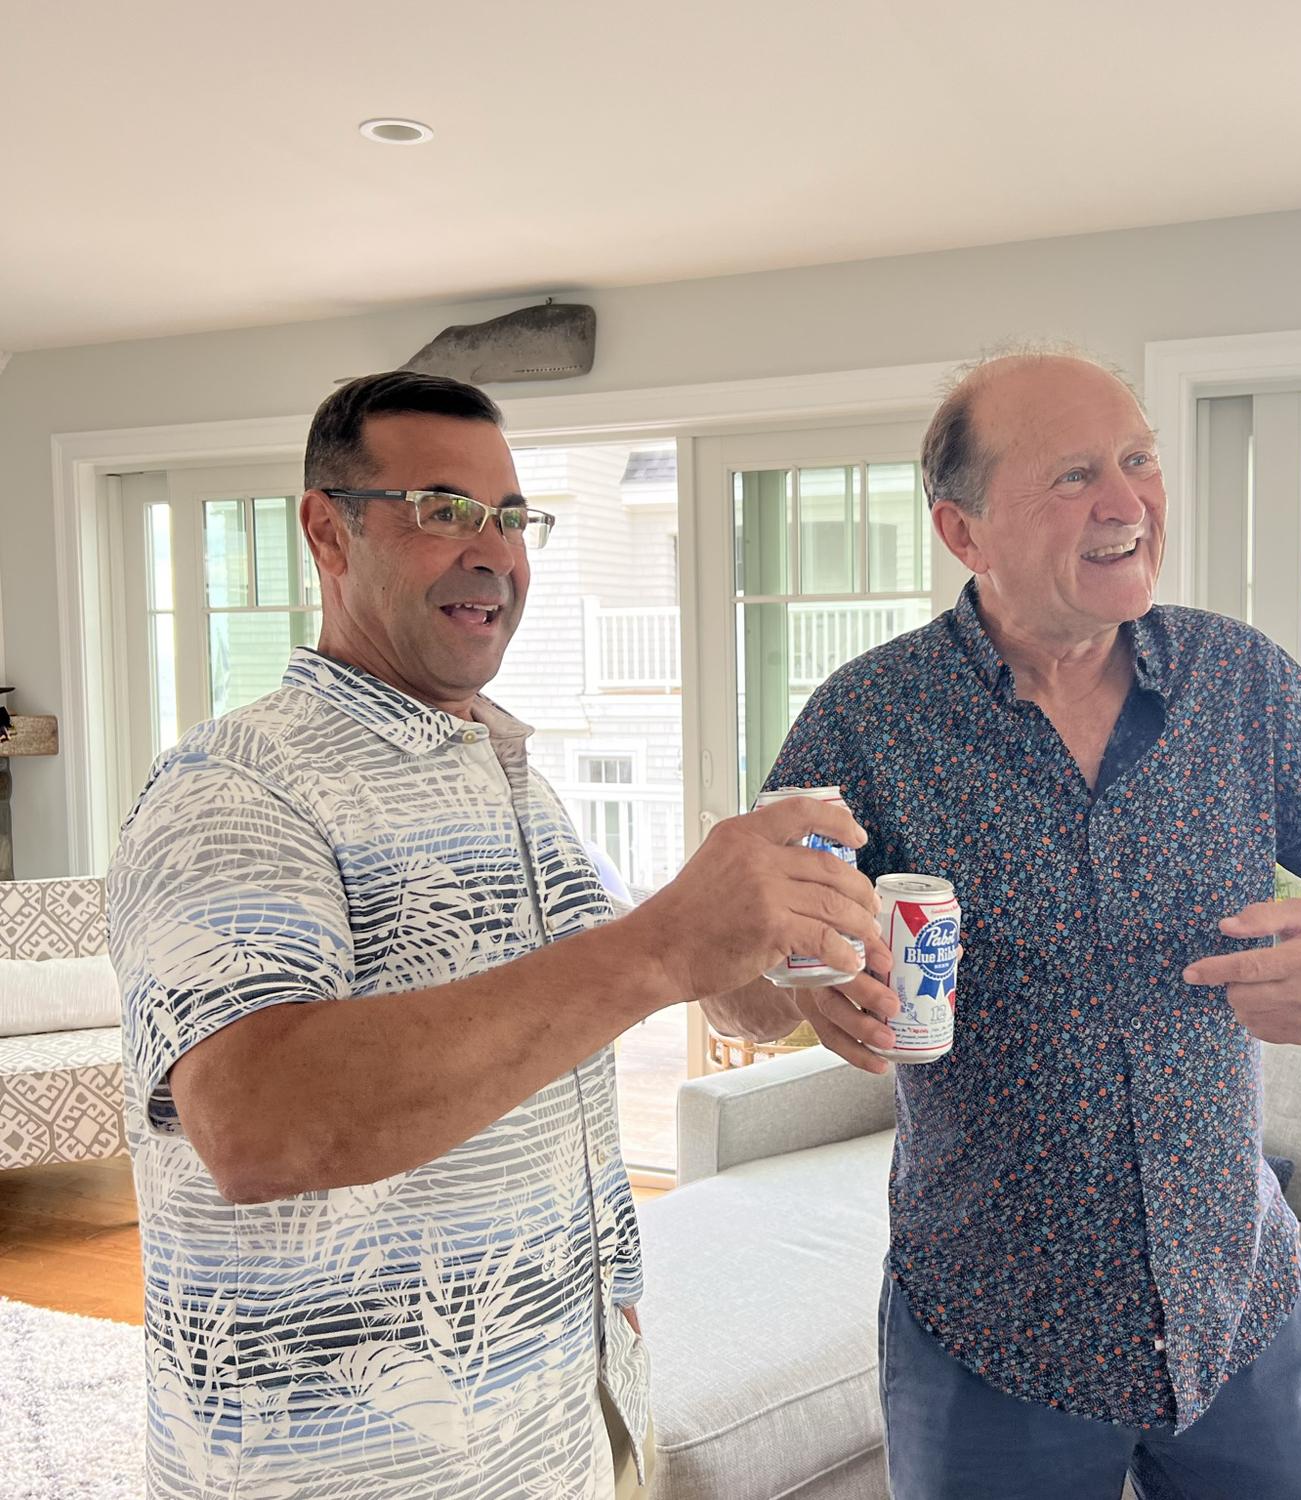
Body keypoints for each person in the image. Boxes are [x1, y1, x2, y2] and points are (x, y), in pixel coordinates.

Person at [107, 371, 882, 1500]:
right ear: (329, 530)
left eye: (513, 518)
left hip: (568, 1429)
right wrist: (665, 942)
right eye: (444, 510)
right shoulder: (232, 790)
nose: (496, 551)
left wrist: (795, 970)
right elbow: (259, 1124)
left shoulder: (513, 781)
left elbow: (628, 995)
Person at [703, 347, 1301, 1499]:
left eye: (1138, 460)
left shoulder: (1240, 683)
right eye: (1072, 477)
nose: (1127, 503)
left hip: (1240, 1313)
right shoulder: (867, 722)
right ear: (964, 533)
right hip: (990, 1336)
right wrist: (809, 985)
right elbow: (739, 993)